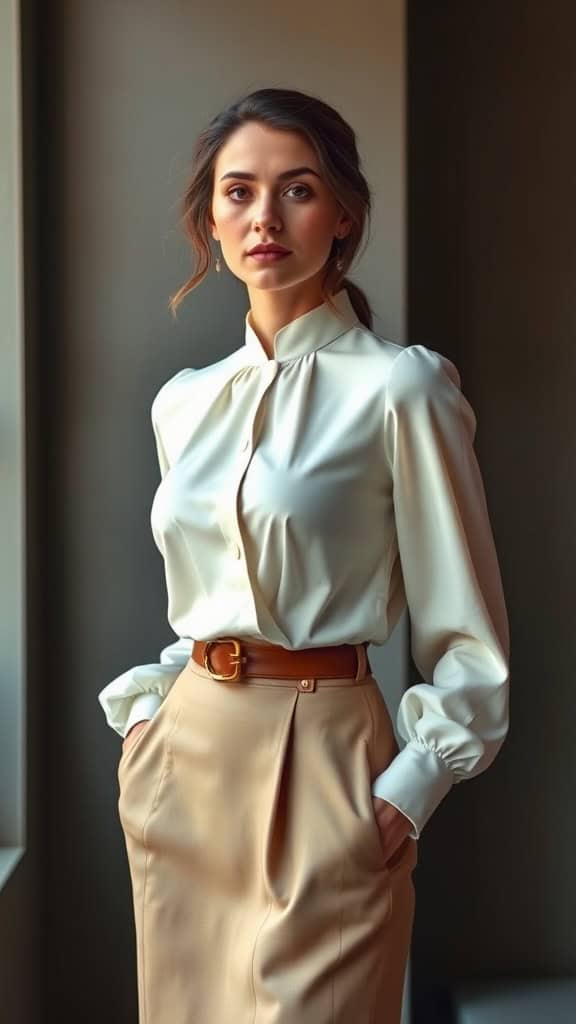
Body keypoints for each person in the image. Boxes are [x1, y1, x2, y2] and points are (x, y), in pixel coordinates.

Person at [98, 86, 510, 1024]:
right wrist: (150, 718)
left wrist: (410, 788)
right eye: (238, 192)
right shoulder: (184, 402)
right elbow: (211, 597)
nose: (264, 218)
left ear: (344, 213)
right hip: (185, 766)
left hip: (328, 760)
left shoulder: (402, 389)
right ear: (210, 216)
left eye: (297, 190)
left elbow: (471, 639)